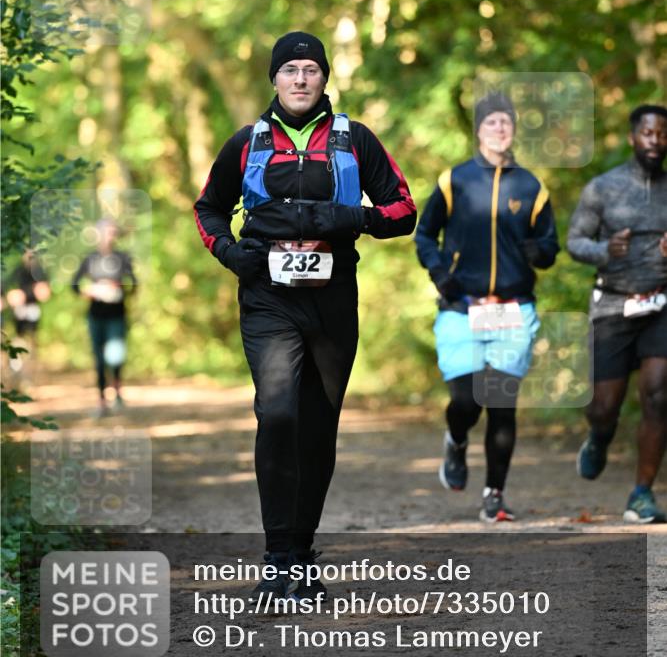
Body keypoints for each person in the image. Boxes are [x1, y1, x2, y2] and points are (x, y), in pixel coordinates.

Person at [194, 31, 416, 600]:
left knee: (318, 426)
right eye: (289, 69)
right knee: (277, 414)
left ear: (323, 78)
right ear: (274, 78)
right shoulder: (247, 141)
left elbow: (402, 210)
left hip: (332, 297)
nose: (300, 78)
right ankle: (277, 556)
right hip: (268, 297)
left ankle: (302, 553)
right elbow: (209, 209)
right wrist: (231, 254)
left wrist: (352, 219)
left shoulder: (354, 139)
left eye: (310, 69)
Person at [415, 92, 559, 522]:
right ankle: (457, 440)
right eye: (492, 121)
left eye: (506, 122)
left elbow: (550, 246)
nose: (500, 128)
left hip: (514, 310)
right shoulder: (455, 180)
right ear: (478, 129)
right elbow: (425, 235)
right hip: (462, 307)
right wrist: (440, 273)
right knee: (466, 401)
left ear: (514, 130)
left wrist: (539, 252)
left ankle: (494, 495)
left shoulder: (530, 186)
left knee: (500, 403)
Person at [567, 104, 667, 524]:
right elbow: (574, 242)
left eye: (662, 134)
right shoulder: (603, 188)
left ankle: (641, 494)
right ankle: (600, 435)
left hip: (661, 304)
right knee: (604, 405)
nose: (655, 141)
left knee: (659, 395)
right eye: (648, 133)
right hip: (612, 304)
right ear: (633, 137)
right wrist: (605, 250)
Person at [71, 219, 137, 417]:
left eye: (113, 232)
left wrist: (118, 288)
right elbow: (74, 285)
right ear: (99, 234)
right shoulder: (90, 259)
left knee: (115, 356)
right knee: (99, 359)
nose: (110, 236)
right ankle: (101, 401)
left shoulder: (122, 258)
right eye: (107, 232)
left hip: (117, 314)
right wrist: (90, 291)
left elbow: (134, 284)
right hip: (96, 315)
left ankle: (117, 391)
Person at [2, 249, 51, 386]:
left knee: (32, 342)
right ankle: (18, 373)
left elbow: (45, 291)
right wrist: (11, 295)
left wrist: (37, 292)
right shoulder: (18, 270)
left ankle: (31, 376)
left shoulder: (40, 271)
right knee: (19, 340)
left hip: (32, 311)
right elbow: (7, 288)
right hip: (19, 313)